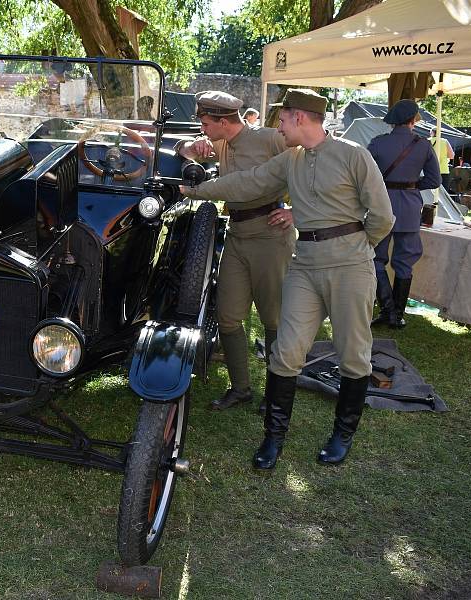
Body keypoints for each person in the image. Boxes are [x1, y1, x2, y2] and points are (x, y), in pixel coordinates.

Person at [180, 89, 394, 469]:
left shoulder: (353, 155)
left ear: (299, 118)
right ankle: (273, 438)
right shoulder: (291, 159)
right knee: (286, 351)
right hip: (305, 263)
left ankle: (342, 434)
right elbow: (246, 183)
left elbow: (382, 217)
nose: (276, 124)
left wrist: (355, 248)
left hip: (349, 265)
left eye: (282, 118)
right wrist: (194, 191)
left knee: (353, 353)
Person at [177, 91, 293, 412]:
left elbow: (312, 163)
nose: (202, 129)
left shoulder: (270, 139)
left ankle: (276, 396)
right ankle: (240, 388)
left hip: (271, 234)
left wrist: (297, 211)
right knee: (228, 318)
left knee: (273, 320)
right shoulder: (221, 142)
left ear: (223, 121)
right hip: (237, 234)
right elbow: (181, 147)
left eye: (205, 123)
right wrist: (192, 147)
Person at [368, 100, 440, 329]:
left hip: (382, 207)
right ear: (413, 120)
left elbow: (365, 177)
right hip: (409, 208)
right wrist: (411, 185)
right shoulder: (423, 145)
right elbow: (434, 180)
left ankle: (387, 310)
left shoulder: (378, 144)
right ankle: (397, 315)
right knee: (405, 262)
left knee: (376, 259)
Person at [428, 127, 454, 192]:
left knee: (431, 193)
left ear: (432, 133)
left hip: (430, 170)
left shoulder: (427, 141)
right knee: (443, 193)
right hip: (443, 171)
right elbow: (451, 156)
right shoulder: (445, 141)